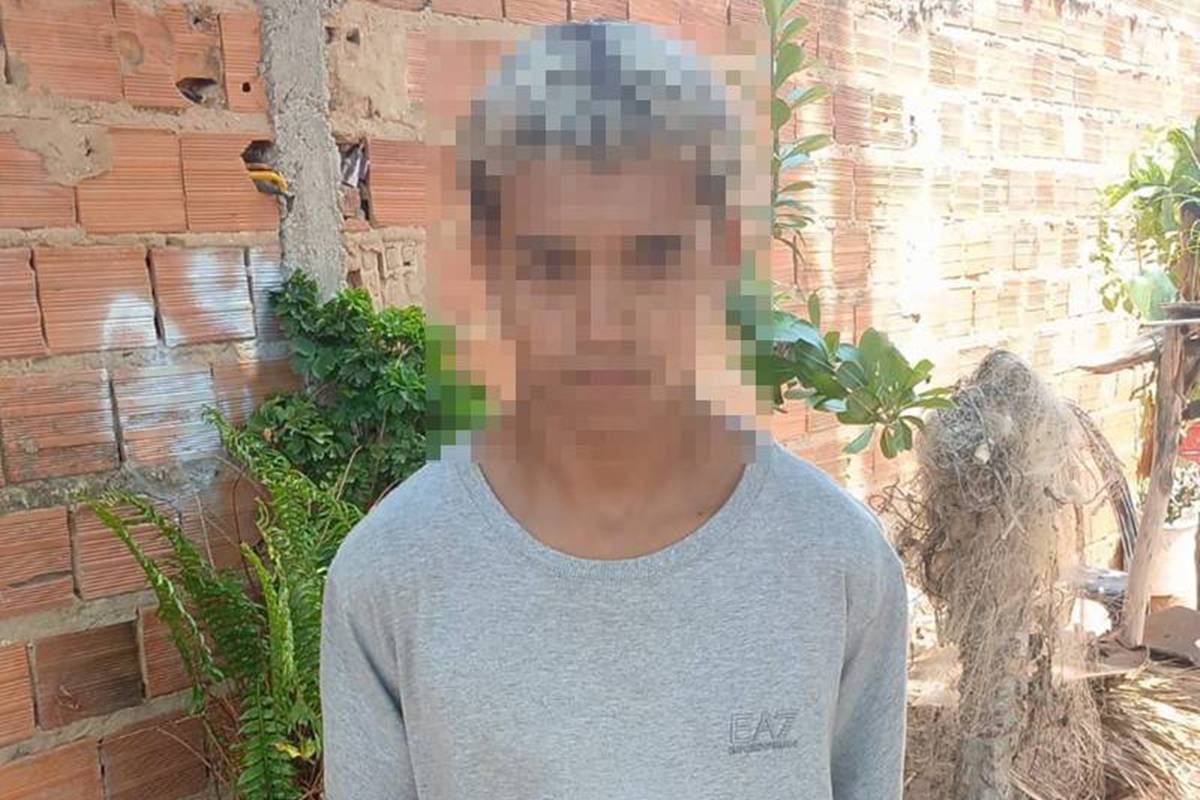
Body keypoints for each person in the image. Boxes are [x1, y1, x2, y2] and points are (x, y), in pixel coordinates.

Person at [319, 20, 908, 800]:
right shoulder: (391, 577)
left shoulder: (837, 564)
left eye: (654, 255)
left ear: (725, 257)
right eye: (551, 262)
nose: (603, 320)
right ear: (488, 271)